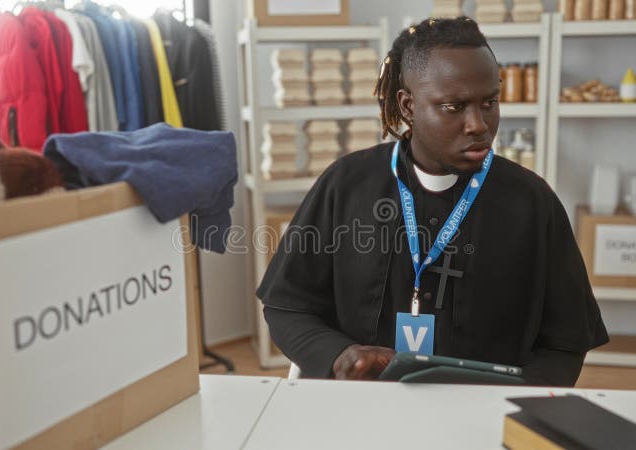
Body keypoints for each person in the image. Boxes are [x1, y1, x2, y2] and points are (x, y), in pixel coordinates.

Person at [256, 17, 608, 386]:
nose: (479, 124)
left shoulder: (533, 203)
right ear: (408, 106)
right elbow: (286, 306)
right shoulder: (345, 185)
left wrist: (511, 401)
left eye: (489, 103)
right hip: (363, 405)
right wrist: (337, 355)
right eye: (454, 107)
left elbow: (565, 343)